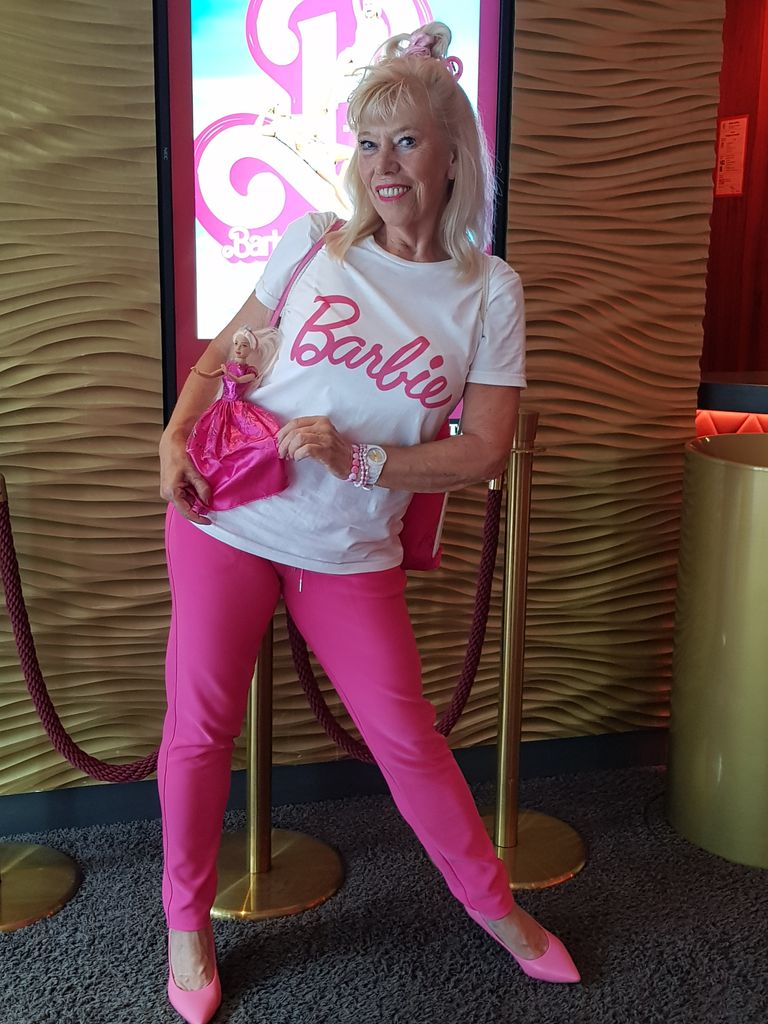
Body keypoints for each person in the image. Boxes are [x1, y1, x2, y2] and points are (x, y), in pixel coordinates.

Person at [158, 21, 580, 1024]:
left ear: (452, 156)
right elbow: (227, 351)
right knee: (201, 726)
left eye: (406, 141)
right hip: (230, 517)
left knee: (407, 739)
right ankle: (185, 922)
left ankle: (497, 910)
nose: (382, 164)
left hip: (350, 548)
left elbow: (483, 450)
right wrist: (173, 435)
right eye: (367, 142)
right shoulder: (314, 240)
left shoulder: (490, 292)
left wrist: (362, 459)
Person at [185, 325, 286, 513]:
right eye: (237, 344)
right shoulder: (229, 366)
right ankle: (207, 480)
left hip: (238, 407)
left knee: (247, 442)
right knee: (211, 442)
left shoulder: (250, 370)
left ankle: (240, 481)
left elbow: (239, 381)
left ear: (250, 349)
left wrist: (228, 373)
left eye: (244, 345)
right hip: (221, 407)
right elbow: (212, 375)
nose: (239, 348)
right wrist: (199, 373)